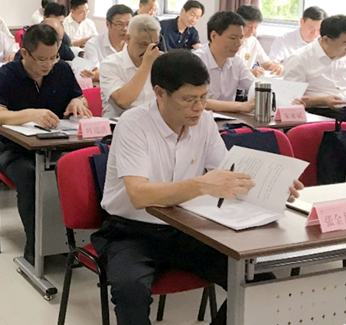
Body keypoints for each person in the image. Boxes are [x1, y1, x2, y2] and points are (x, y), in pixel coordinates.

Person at [93, 50, 303, 325]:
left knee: (258, 281)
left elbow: (227, 172)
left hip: (186, 227)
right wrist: (202, 184)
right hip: (131, 232)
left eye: (203, 98)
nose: (199, 107)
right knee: (130, 289)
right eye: (189, 100)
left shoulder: (204, 121)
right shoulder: (134, 124)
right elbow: (138, 194)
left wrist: (273, 184)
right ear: (159, 93)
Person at [0, 24, 92, 264]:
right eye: (42, 59)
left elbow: (78, 95)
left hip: (57, 144)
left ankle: (77, 245)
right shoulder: (7, 74)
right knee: (32, 176)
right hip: (14, 149)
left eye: (53, 57)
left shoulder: (62, 70)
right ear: (25, 54)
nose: (48, 64)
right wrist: (31, 114)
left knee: (82, 171)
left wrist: (78, 101)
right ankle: (36, 247)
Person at [284, 14, 346, 123]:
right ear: (326, 39)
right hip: (318, 112)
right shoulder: (300, 59)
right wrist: (322, 101)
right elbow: (289, 99)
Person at [99, 15, 162, 119]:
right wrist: (146, 65)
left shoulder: (161, 61)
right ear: (128, 38)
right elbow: (123, 101)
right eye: (143, 44)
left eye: (154, 45)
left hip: (153, 124)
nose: (148, 51)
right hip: (119, 125)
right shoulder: (110, 64)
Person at [193, 12, 256, 113]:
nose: (238, 44)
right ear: (213, 36)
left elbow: (254, 86)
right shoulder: (195, 61)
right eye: (232, 38)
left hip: (229, 120)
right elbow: (199, 101)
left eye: (240, 38)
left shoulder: (237, 62)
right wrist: (241, 106)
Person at [81, 4, 135, 81]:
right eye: (120, 24)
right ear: (108, 24)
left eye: (128, 24)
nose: (125, 29)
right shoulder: (93, 44)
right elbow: (93, 72)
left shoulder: (135, 43)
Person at [235, 5, 283, 76]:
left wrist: (277, 67)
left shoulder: (253, 41)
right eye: (249, 27)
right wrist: (248, 73)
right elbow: (225, 72)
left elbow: (267, 64)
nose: (252, 31)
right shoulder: (228, 42)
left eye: (255, 27)